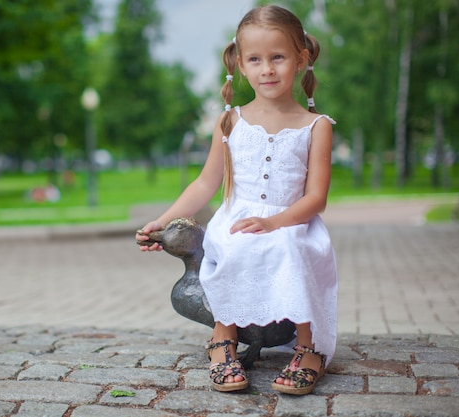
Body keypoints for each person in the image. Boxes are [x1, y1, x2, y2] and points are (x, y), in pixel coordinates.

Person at [136, 4, 337, 396]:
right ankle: (223, 338)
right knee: (231, 240)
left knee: (288, 246)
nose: (267, 69)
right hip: (238, 218)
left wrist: (274, 222)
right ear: (240, 65)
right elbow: (204, 184)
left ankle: (308, 346)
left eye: (277, 57)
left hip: (293, 221)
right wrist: (161, 222)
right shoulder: (231, 122)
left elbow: (316, 199)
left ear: (301, 59)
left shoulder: (316, 126)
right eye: (256, 59)